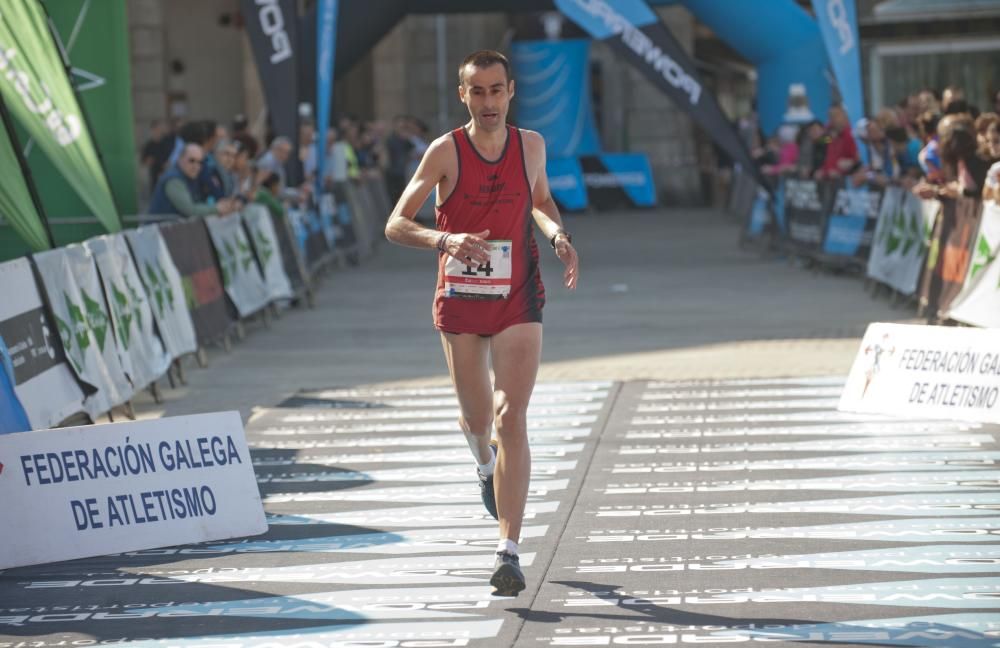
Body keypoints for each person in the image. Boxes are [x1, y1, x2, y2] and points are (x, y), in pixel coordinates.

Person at [384, 49, 579, 597]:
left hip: (518, 295)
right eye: (479, 91)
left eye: (498, 90)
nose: (489, 101)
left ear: (511, 91)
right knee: (476, 419)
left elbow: (541, 200)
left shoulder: (531, 145)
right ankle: (482, 461)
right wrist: (445, 239)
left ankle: (508, 551)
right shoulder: (445, 152)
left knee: (510, 414)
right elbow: (396, 223)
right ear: (463, 95)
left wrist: (556, 233)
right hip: (461, 299)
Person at [147, 143, 239, 218]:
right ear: (180, 159)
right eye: (191, 160)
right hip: (156, 236)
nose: (196, 166)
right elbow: (190, 210)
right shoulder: (174, 179)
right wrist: (216, 208)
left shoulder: (192, 177)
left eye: (200, 162)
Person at [816, 104, 859, 180]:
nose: (833, 119)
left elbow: (855, 159)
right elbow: (820, 142)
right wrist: (822, 170)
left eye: (836, 115)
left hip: (842, 179)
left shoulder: (850, 135)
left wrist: (848, 164)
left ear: (844, 116)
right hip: (827, 177)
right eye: (830, 116)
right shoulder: (829, 134)